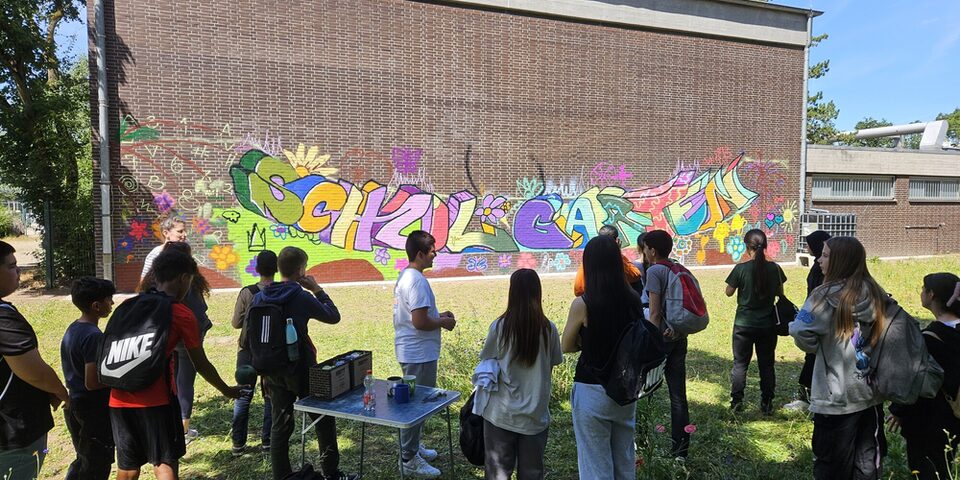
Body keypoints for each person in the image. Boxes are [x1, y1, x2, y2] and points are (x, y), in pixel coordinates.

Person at [110, 248, 241, 480]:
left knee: (128, 468)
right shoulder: (180, 313)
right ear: (184, 278)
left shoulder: (127, 306)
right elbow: (200, 363)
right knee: (164, 463)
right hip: (156, 401)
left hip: (118, 400)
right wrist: (226, 390)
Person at [789, 236, 887, 479]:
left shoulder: (823, 294)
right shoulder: (874, 290)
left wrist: (819, 348)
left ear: (840, 261)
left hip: (835, 397)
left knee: (831, 464)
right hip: (870, 393)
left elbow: (801, 331)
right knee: (866, 463)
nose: (819, 260)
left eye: (825, 255)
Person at [256, 246, 357, 480]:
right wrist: (316, 289)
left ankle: (281, 476)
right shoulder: (300, 295)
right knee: (323, 419)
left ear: (279, 269)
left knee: (280, 427)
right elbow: (333, 316)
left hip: (272, 369)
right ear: (301, 270)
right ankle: (331, 473)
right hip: (303, 369)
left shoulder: (261, 295)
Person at [562, 235, 647, 479]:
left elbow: (566, 345)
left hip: (592, 389)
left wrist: (584, 341)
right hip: (625, 388)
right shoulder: (633, 299)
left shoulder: (583, 303)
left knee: (595, 467)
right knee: (624, 462)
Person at [479, 269, 562, 480]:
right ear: (538, 293)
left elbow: (487, 362)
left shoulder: (499, 327)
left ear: (512, 292)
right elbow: (550, 367)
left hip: (501, 414)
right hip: (535, 415)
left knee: (498, 473)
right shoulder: (549, 329)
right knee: (532, 474)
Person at [0, 241, 69, 479]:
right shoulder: (3, 318)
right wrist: (60, 391)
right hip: (12, 433)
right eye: (12, 266)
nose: (18, 271)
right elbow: (31, 370)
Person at [393, 230, 457, 477]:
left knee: (416, 403)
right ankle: (408, 458)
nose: (435, 253)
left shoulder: (408, 276)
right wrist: (443, 323)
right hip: (418, 353)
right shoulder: (416, 281)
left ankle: (413, 447)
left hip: (414, 351)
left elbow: (417, 318)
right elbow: (419, 322)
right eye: (432, 249)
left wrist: (439, 317)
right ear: (419, 254)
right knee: (416, 406)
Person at [886, 272, 960, 480]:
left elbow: (914, 381)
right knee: (945, 463)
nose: (921, 292)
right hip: (955, 414)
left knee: (925, 467)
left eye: (923, 288)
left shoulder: (929, 339)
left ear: (932, 294)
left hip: (927, 419)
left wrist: (898, 410)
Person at [140, 241, 212, 444]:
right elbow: (202, 362)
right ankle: (182, 428)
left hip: (165, 339)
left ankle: (175, 426)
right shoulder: (186, 284)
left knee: (174, 378)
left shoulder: (152, 285)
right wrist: (227, 390)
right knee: (184, 379)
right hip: (184, 338)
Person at [61, 277, 117, 480]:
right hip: (91, 407)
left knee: (84, 458)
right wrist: (121, 380)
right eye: (109, 300)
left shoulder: (74, 328)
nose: (112, 304)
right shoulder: (93, 336)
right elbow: (92, 382)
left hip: (75, 402)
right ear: (96, 306)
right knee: (97, 462)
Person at [724, 229, 786, 415]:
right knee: (766, 365)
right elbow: (780, 294)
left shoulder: (740, 269)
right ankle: (767, 403)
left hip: (743, 324)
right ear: (765, 246)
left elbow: (728, 292)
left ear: (746, 247)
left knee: (740, 364)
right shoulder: (775, 268)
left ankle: (736, 402)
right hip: (767, 325)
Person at [642, 229, 691, 458]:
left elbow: (653, 313)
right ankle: (680, 451)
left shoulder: (654, 271)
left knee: (645, 391)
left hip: (661, 339)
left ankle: (642, 441)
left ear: (652, 250)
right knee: (678, 396)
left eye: (645, 248)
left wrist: (650, 342)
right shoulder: (677, 267)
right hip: (679, 337)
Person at [230, 250, 276, 456]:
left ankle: (238, 444)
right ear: (276, 269)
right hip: (271, 352)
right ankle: (267, 443)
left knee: (242, 396)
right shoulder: (281, 292)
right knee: (270, 397)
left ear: (257, 269)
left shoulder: (247, 292)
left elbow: (236, 323)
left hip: (247, 351)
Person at [785, 230, 831, 411]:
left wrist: (803, 321)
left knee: (814, 357)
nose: (806, 248)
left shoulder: (822, 271)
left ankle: (809, 398)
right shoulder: (817, 266)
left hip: (817, 319)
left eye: (809, 245)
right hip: (813, 317)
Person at [573, 225, 641, 297]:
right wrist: (617, 253)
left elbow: (578, 290)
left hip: (594, 301)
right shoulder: (619, 259)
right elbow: (636, 276)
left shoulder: (589, 260)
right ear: (617, 241)